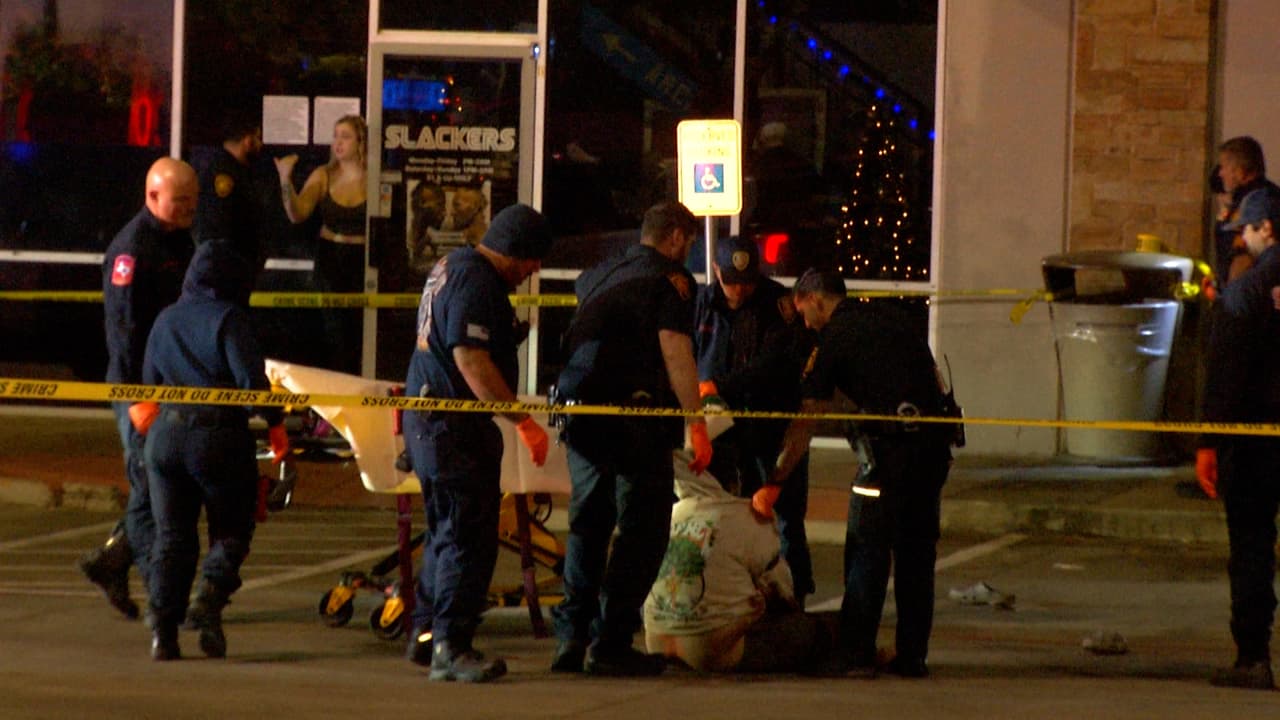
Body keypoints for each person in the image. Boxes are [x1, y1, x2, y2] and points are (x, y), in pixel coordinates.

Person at [549, 200, 713, 677]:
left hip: (581, 413)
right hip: (634, 419)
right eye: (690, 243)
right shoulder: (671, 280)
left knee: (589, 524)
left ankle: (570, 638)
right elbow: (675, 350)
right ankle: (611, 643)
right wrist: (696, 425)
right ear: (677, 237)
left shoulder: (599, 273)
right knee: (643, 530)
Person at [768, 268, 953, 679]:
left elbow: (809, 415)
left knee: (866, 550)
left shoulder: (834, 338)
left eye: (804, 313)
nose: (806, 324)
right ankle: (912, 656)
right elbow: (932, 380)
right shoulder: (893, 319)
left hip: (886, 462)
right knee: (916, 556)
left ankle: (854, 653)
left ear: (816, 300)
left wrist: (778, 475)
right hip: (932, 455)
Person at [400, 203, 553, 683]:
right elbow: (470, 359)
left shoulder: (453, 266)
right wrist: (522, 421)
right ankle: (451, 645)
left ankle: (426, 635)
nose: (534, 270)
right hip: (452, 428)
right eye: (532, 259)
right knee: (467, 538)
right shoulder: (477, 279)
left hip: (433, 422)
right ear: (514, 249)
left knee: (446, 533)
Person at [132, 240, 289, 661]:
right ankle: (208, 601)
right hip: (218, 438)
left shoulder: (166, 319)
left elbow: (148, 383)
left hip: (165, 439)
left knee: (172, 537)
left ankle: (163, 631)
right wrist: (277, 425)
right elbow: (252, 389)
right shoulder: (229, 318)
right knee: (232, 529)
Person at [78, 157, 198, 621]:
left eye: (192, 201)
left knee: (165, 486)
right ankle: (162, 598)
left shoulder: (180, 239)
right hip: (140, 389)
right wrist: (135, 398)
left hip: (173, 383)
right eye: (180, 201)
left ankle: (112, 561)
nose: (188, 209)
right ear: (152, 196)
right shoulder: (131, 250)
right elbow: (122, 331)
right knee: (151, 485)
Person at [693, 234, 816, 604]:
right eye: (731, 282)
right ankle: (736, 596)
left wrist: (718, 385)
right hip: (720, 428)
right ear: (716, 271)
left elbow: (774, 365)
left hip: (770, 425)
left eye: (746, 282)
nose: (739, 290)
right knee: (726, 514)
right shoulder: (701, 303)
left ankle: (795, 596)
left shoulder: (777, 304)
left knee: (785, 515)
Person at [1196, 187, 1280, 690]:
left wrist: (1208, 442)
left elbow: (1224, 376)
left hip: (1254, 442)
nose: (1242, 241)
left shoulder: (1247, 293)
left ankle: (1253, 656)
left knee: (1252, 546)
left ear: (1266, 228)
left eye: (1246, 231)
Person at [642, 448, 826, 672]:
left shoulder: (669, 514)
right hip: (710, 649)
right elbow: (783, 589)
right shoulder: (744, 516)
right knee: (809, 630)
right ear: (733, 483)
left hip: (656, 644)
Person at [275, 114, 369, 375]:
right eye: (335, 136)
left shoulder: (373, 177)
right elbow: (297, 214)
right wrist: (285, 180)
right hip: (331, 259)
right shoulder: (324, 175)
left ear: (361, 142)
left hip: (362, 261)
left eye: (345, 136)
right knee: (332, 331)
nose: (338, 142)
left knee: (358, 332)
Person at [195, 114, 266, 272]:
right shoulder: (223, 173)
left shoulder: (238, 170)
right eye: (257, 138)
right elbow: (219, 226)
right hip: (225, 266)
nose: (260, 144)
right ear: (248, 140)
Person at [1213, 137, 1280, 288]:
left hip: (1248, 298)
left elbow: (1245, 255)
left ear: (1240, 171)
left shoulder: (1259, 200)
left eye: (1224, 167)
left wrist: (1231, 295)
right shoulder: (1246, 199)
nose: (1220, 173)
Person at [408, 180, 448, 274]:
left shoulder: (446, 226)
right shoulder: (413, 229)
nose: (443, 211)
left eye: (441, 204)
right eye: (422, 203)